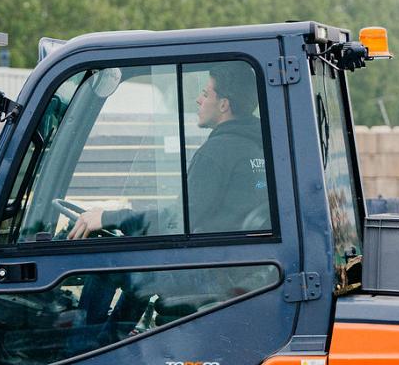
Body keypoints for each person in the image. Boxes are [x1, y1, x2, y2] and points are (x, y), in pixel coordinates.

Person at [69, 61, 269, 238]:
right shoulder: (260, 146)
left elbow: (178, 221)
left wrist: (110, 218)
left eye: (206, 94)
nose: (198, 100)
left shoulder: (216, 153)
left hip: (215, 272)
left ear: (224, 104)